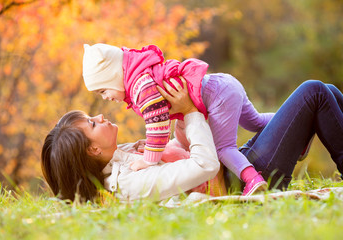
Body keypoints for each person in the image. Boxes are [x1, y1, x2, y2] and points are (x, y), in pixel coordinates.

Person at [82, 43, 272, 195]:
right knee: (255, 122)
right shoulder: (142, 77)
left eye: (103, 90)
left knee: (223, 148)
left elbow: (158, 124)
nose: (105, 97)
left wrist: (149, 159)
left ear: (114, 75)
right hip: (223, 84)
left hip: (217, 96)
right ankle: (301, 130)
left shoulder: (141, 88)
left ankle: (253, 180)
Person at [41, 79, 223, 202]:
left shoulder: (121, 155)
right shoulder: (130, 182)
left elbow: (179, 162)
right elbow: (204, 165)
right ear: (93, 150)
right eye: (93, 124)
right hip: (226, 180)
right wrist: (190, 113)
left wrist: (164, 145)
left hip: (227, 162)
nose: (100, 116)